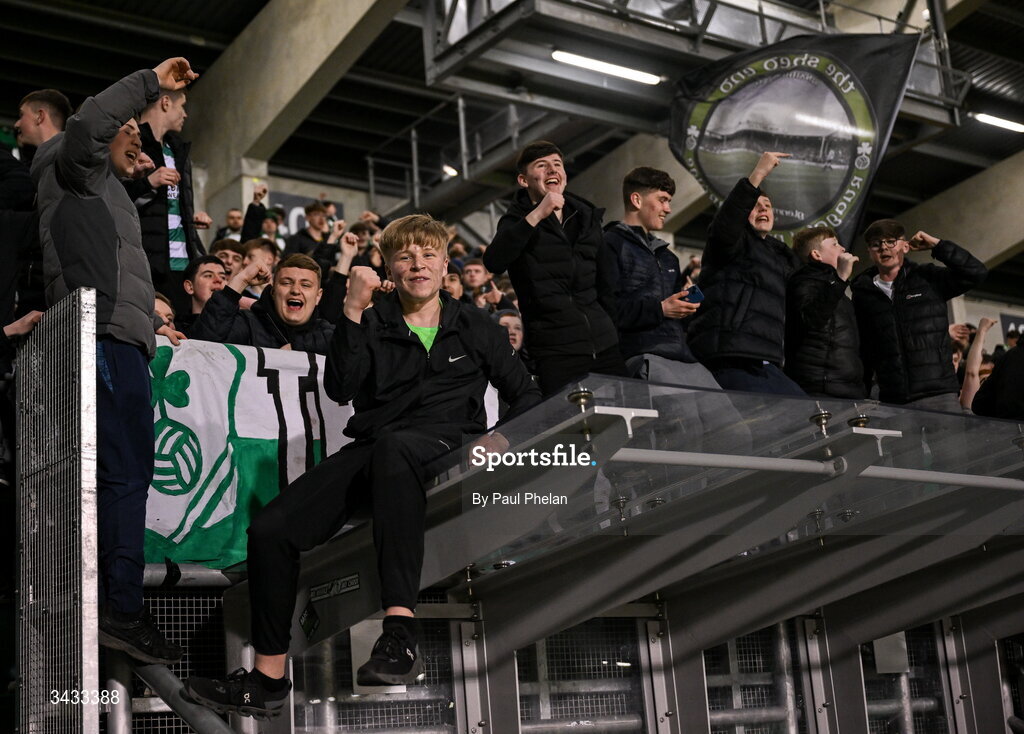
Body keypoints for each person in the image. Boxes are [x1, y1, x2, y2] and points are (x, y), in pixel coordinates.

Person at [185, 214, 540, 717]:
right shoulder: (372, 320)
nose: (418, 263)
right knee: (270, 529)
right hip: (374, 447)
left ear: (444, 264)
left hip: (445, 441)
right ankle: (267, 680)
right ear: (391, 269)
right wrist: (351, 308)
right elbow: (341, 388)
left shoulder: (477, 326)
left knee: (396, 446)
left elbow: (526, 393)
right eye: (405, 256)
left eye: (428, 254)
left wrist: (502, 436)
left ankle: (399, 633)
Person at [32, 57, 195, 665]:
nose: (144, 146)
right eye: (133, 131)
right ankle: (119, 610)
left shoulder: (105, 195)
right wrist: (150, 82)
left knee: (125, 478)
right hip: (99, 340)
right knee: (122, 478)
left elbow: (108, 267)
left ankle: (115, 606)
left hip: (117, 338)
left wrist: (151, 321)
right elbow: (89, 124)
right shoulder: (72, 165)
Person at [484, 140, 625, 396]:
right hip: (556, 350)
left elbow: (606, 282)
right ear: (523, 180)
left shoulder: (586, 217)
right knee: (569, 432)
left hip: (605, 343)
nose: (552, 170)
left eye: (557, 164)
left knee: (623, 426)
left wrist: (611, 329)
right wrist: (538, 214)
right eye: (542, 165)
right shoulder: (517, 221)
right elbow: (494, 261)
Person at [685, 151, 804, 396]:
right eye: (755, 205)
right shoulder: (730, 242)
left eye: (767, 206)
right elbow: (727, 222)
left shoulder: (780, 256)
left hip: (766, 361)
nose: (763, 209)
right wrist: (757, 175)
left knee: (805, 417)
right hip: (730, 356)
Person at [851, 219, 987, 411]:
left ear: (905, 246)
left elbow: (976, 273)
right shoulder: (863, 293)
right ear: (870, 253)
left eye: (891, 241)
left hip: (940, 395)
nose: (884, 248)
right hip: (894, 401)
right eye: (876, 244)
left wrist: (937, 245)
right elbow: (864, 348)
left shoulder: (928, 278)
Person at [123, 82, 211, 316]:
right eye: (182, 105)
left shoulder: (178, 150)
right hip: (147, 264)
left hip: (181, 264)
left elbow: (168, 206)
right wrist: (148, 182)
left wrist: (189, 219)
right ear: (165, 103)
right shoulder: (132, 141)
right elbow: (115, 196)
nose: (185, 113)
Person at [189, 253, 334, 354]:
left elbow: (350, 344)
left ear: (318, 297)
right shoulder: (248, 323)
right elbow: (202, 346)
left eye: (306, 285)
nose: (295, 290)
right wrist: (242, 280)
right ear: (272, 291)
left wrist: (297, 347)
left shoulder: (324, 331)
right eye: (286, 283)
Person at [784, 226, 865, 399]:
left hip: (847, 389)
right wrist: (840, 278)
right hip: (821, 389)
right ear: (816, 255)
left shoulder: (836, 290)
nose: (843, 248)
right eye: (835, 244)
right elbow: (811, 319)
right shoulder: (802, 281)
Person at [177, 255, 228, 336]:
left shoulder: (240, 322)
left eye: (223, 277)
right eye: (208, 275)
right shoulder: (177, 329)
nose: (218, 280)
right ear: (190, 287)